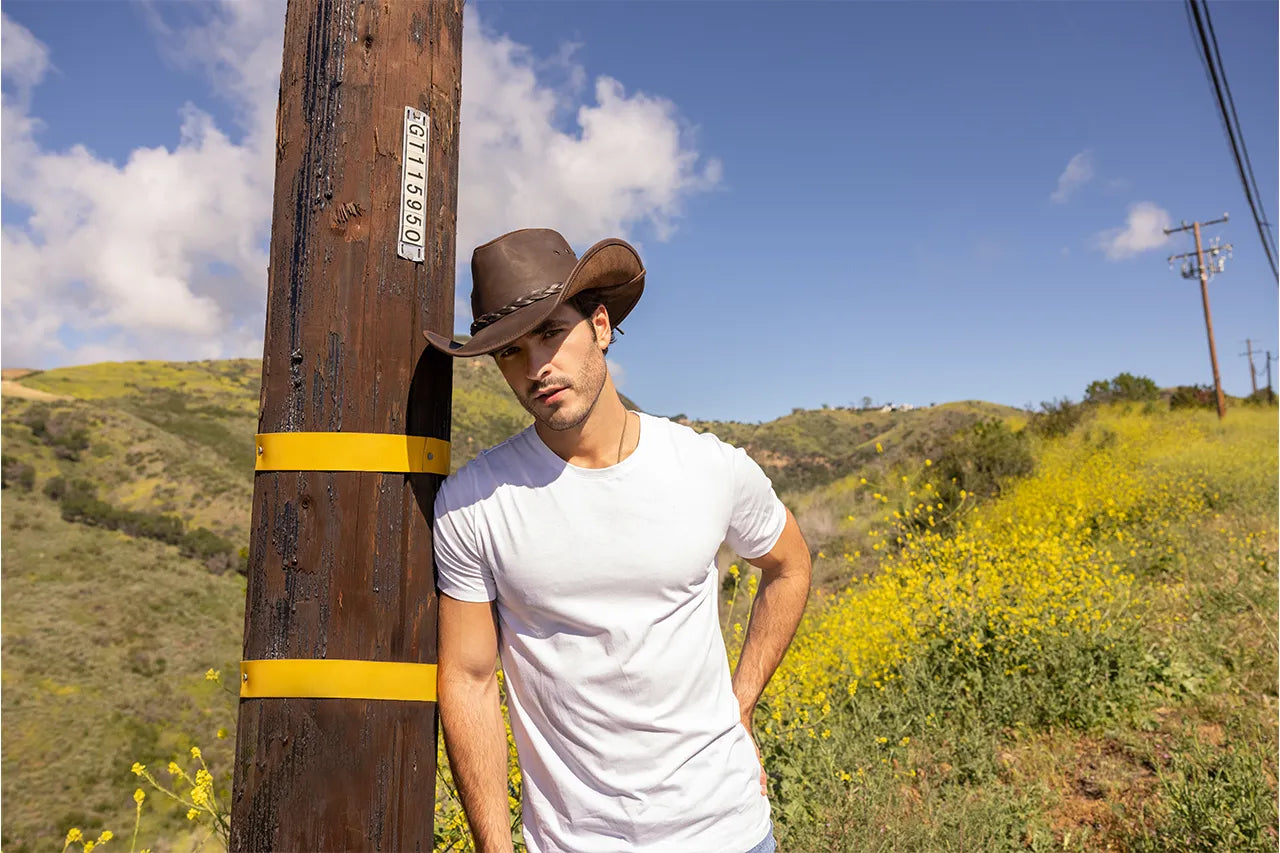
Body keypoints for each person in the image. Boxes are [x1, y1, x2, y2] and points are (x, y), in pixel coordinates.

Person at [424, 228, 811, 853]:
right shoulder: (473, 503)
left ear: (600, 326)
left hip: (731, 832)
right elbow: (468, 681)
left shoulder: (710, 468)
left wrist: (742, 704)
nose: (536, 368)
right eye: (510, 354)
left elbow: (789, 566)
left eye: (552, 334)